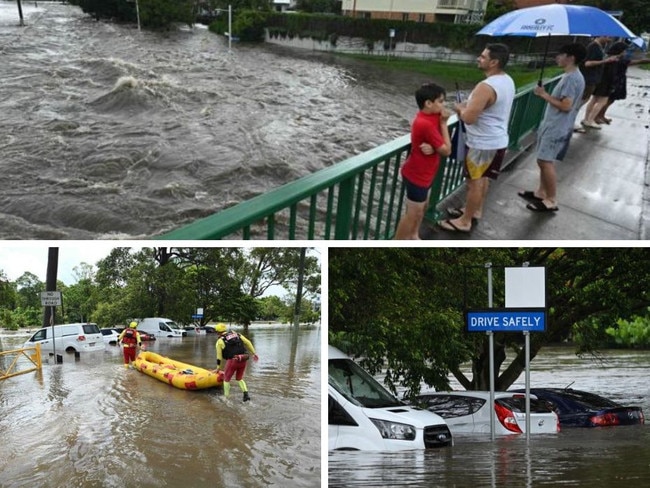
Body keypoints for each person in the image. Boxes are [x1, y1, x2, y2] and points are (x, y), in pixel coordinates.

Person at [436, 43, 515, 233]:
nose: (478, 59)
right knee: (484, 178)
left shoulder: (485, 86)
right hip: (497, 140)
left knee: (474, 182)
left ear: (494, 62)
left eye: (482, 57)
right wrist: (469, 104)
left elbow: (469, 119)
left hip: (482, 143)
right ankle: (475, 211)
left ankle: (465, 221)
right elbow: (486, 106)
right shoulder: (507, 80)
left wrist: (459, 109)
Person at [518, 43, 587, 213]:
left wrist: (543, 95)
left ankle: (551, 199)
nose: (557, 57)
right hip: (553, 124)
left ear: (570, 57)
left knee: (545, 161)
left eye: (560, 54)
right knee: (543, 160)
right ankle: (541, 192)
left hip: (557, 126)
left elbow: (566, 106)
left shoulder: (572, 79)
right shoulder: (571, 75)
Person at [394, 83, 452, 240]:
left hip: (426, 173)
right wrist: (444, 124)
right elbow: (447, 150)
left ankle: (413, 235)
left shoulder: (433, 116)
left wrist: (434, 147)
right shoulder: (426, 123)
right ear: (428, 103)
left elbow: (439, 142)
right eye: (440, 101)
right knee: (412, 214)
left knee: (422, 207)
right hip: (417, 175)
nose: (444, 104)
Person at [595, 41, 650, 124]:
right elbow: (636, 62)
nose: (625, 52)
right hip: (615, 81)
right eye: (624, 50)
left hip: (617, 80)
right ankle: (597, 116)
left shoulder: (616, 58)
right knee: (607, 100)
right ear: (619, 51)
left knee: (611, 100)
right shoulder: (616, 59)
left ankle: (601, 115)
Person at [576, 36, 616, 131]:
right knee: (580, 101)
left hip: (593, 79)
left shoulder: (599, 47)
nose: (609, 40)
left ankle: (583, 120)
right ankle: (571, 121)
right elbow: (587, 63)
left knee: (585, 100)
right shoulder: (593, 47)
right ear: (602, 35)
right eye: (608, 37)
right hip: (588, 78)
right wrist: (605, 61)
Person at [215, 323, 258, 402]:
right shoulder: (237, 334)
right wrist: (254, 353)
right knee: (239, 378)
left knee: (226, 379)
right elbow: (248, 342)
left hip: (232, 361)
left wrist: (218, 368)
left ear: (217, 332)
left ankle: (226, 397)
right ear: (225, 329)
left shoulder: (220, 341)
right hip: (243, 359)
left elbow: (219, 357)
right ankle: (246, 394)